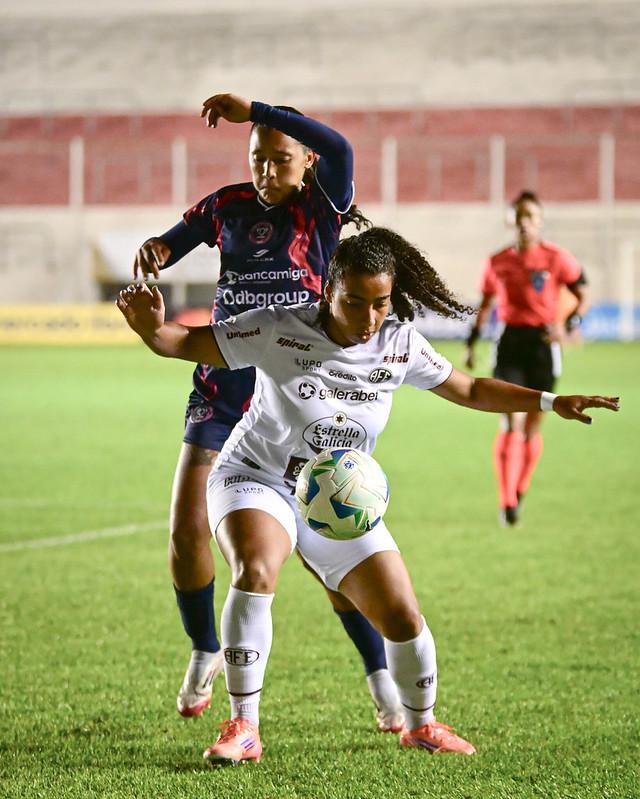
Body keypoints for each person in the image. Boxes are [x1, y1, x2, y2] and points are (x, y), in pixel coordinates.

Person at [117, 226, 618, 764]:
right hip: (257, 476)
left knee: (402, 615)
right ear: (328, 290)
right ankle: (244, 725)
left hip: (336, 496)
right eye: (354, 302)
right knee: (257, 569)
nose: (368, 317)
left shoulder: (399, 343)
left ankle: (421, 725)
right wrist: (151, 331)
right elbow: (183, 342)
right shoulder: (278, 328)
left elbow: (469, 388)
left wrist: (549, 400)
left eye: (380, 303)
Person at [132, 93, 403, 731]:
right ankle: (204, 649)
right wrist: (156, 252)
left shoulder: (322, 206)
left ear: (304, 162)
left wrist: (255, 107)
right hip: (224, 385)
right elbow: (172, 243)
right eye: (258, 159)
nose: (265, 171)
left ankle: (381, 677)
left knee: (329, 554)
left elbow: (338, 146)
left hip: (299, 398)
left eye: (279, 159)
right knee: (184, 533)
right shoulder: (227, 206)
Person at [464, 191, 590, 526]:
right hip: (509, 343)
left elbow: (583, 292)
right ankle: (506, 501)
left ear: (540, 221)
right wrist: (472, 342)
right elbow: (486, 303)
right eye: (518, 216)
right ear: (511, 220)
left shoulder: (556, 258)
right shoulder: (497, 261)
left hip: (542, 345)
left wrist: (570, 324)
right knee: (511, 420)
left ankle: (520, 487)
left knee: (534, 425)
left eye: (530, 216)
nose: (524, 223)